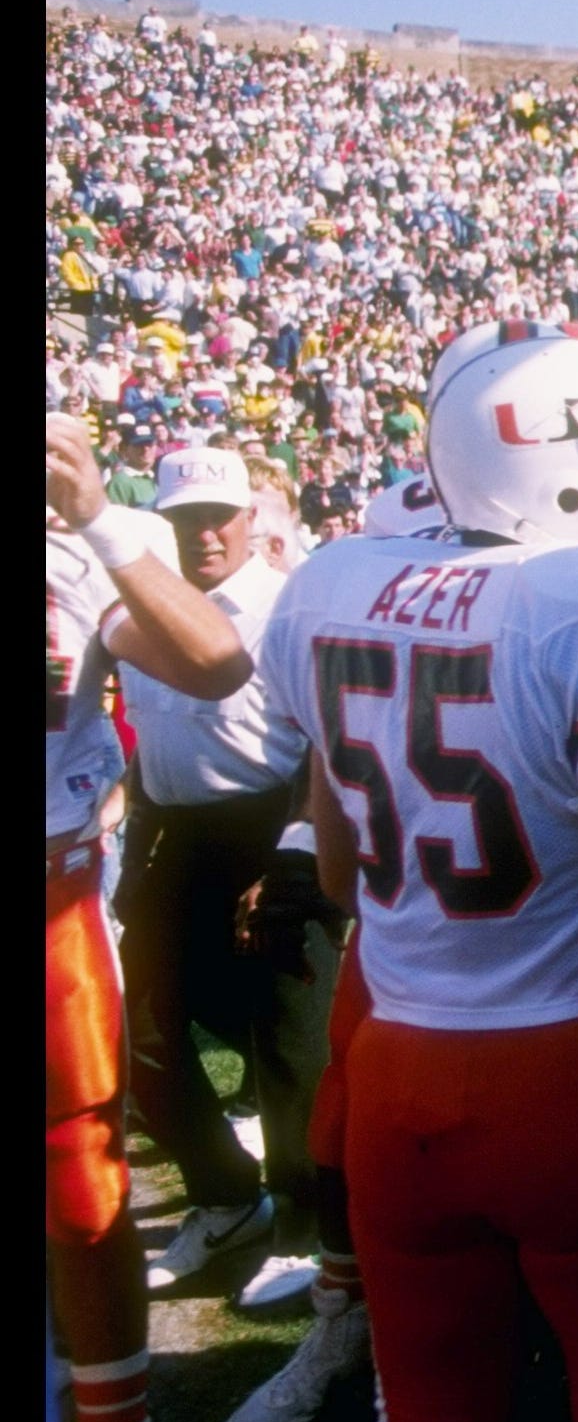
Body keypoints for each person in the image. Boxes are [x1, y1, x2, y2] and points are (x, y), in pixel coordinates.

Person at [256, 330, 578, 1422]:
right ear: (558, 470)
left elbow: (336, 875)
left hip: (396, 1070)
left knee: (433, 1413)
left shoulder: (331, 583)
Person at [46, 414, 256, 1422]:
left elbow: (216, 662)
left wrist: (97, 520)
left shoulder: (74, 554)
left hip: (52, 904)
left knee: (81, 1178)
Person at [105, 446, 330, 1309]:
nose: (203, 534)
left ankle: (307, 1231)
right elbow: (153, 738)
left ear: (247, 519)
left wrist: (291, 853)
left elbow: (323, 739)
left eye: (217, 517)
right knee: (140, 1026)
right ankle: (227, 1193)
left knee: (289, 1037)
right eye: (185, 519)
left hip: (272, 821)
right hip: (176, 829)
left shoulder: (286, 606)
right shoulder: (143, 608)